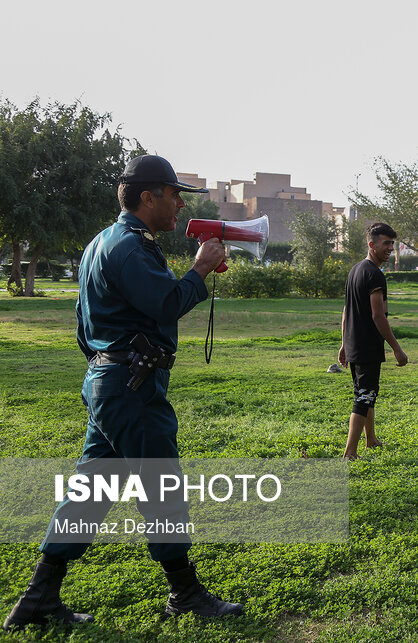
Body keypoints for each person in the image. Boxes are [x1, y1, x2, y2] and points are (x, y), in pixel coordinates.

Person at [4, 155, 242, 631]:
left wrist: (105, 374)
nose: (178, 204)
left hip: (111, 382)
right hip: (131, 387)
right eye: (173, 194)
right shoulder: (129, 247)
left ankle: (38, 599)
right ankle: (185, 593)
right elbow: (167, 303)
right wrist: (198, 270)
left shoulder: (102, 243)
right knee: (162, 487)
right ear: (147, 197)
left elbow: (83, 327)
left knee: (90, 492)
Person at [339, 223, 408, 460]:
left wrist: (343, 343)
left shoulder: (355, 270)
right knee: (364, 397)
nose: (390, 248)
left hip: (354, 344)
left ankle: (371, 439)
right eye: (386, 243)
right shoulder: (374, 274)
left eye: (392, 243)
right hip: (367, 346)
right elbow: (378, 315)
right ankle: (350, 452)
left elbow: (346, 311)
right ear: (372, 245)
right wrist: (397, 349)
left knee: (366, 393)